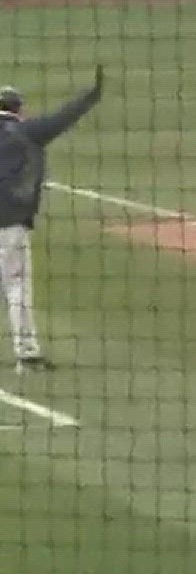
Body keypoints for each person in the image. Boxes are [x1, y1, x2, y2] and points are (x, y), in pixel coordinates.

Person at [0, 66, 107, 373]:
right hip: (10, 224)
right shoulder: (28, 131)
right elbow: (64, 117)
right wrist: (92, 95)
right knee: (17, 286)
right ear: (18, 109)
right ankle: (27, 355)